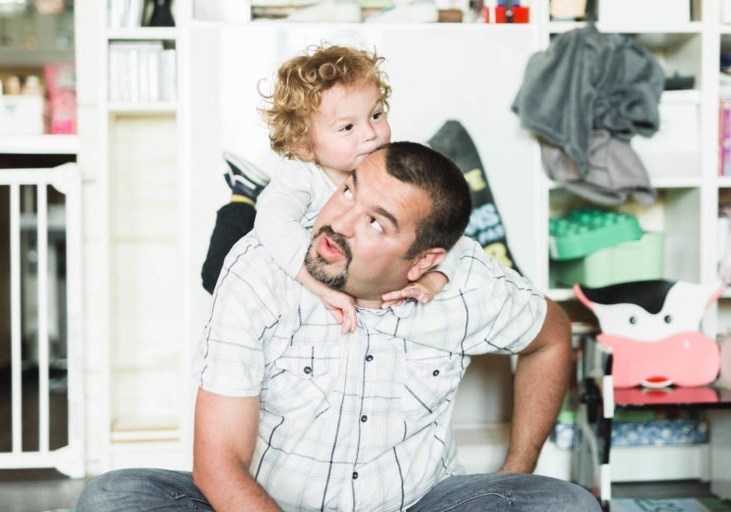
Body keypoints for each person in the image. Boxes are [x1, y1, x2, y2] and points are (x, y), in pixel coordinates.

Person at [76, 142, 602, 512]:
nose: (338, 224)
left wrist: (516, 470)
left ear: (423, 261)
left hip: (417, 504)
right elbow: (218, 465)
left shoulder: (467, 285)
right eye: (349, 190)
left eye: (377, 222)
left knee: (567, 505)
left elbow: (551, 338)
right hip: (265, 503)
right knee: (111, 499)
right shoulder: (260, 267)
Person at [201, 44, 453, 333]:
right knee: (215, 277)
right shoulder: (300, 174)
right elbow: (274, 222)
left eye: (376, 115)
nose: (371, 134)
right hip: (263, 221)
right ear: (305, 144)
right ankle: (244, 194)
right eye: (347, 128)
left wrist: (435, 279)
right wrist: (318, 286)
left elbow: (444, 228)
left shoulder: (394, 168)